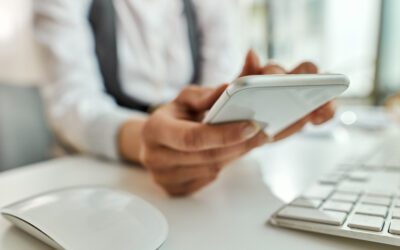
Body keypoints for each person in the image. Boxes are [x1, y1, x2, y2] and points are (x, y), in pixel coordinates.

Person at [34, 0, 335, 196]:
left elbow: (218, 86)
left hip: (203, 181)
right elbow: (72, 104)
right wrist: (148, 141)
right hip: (95, 178)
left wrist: (246, 116)